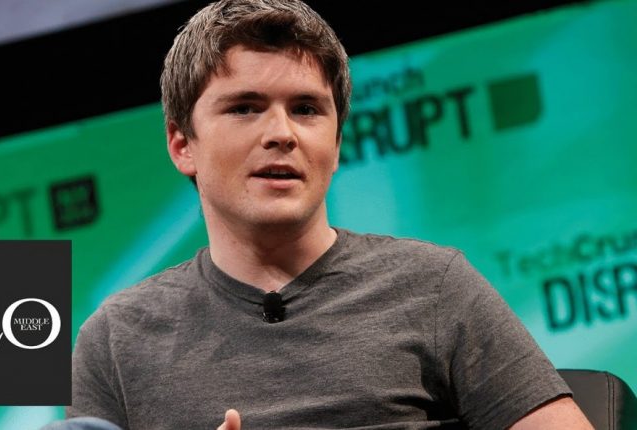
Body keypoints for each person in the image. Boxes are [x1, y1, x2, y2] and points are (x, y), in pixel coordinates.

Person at [67, 0, 594, 428]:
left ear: (336, 144)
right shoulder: (115, 340)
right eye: (245, 108)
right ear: (182, 145)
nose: (282, 133)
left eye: (306, 109)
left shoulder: (435, 287)